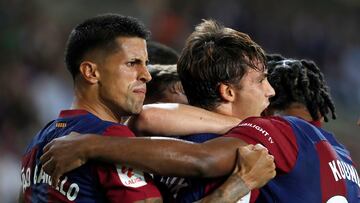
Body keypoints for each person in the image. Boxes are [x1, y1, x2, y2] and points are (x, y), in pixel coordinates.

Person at [41, 19, 360, 203]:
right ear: (228, 90)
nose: (269, 90)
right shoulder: (339, 153)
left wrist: (89, 145)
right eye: (261, 81)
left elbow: (199, 157)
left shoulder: (250, 143)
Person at [20, 15, 275, 202]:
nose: (146, 75)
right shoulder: (109, 141)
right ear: (91, 71)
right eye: (132, 63)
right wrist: (240, 183)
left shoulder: (40, 140)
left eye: (145, 63)